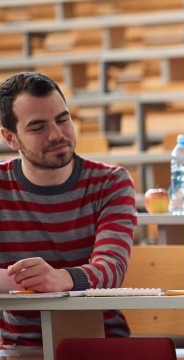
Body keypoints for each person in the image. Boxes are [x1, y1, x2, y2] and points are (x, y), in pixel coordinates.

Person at [0, 72, 136, 348]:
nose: (57, 134)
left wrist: (61, 278)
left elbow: (111, 268)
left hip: (101, 346)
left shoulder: (111, 182)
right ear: (10, 138)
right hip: (17, 349)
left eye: (63, 119)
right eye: (38, 127)